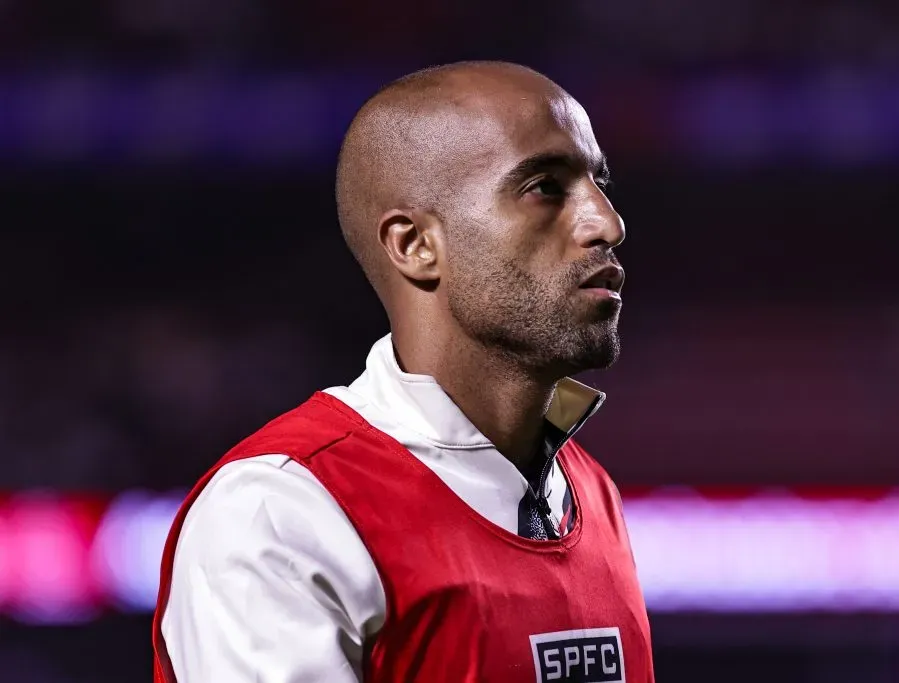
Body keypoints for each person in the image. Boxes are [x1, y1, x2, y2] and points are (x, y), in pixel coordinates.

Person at [152, 60, 654, 683]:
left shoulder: (590, 490)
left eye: (599, 184)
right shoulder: (279, 512)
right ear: (415, 245)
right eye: (545, 187)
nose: (607, 223)